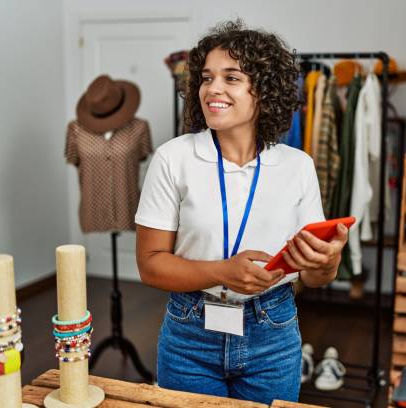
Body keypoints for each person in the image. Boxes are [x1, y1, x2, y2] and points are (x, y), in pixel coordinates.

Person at [134, 20, 348, 404]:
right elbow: (150, 265)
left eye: (231, 78)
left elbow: (315, 278)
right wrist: (222, 272)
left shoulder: (297, 165)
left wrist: (327, 261)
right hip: (190, 335)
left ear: (263, 91)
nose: (212, 88)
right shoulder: (173, 159)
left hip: (273, 331)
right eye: (206, 78)